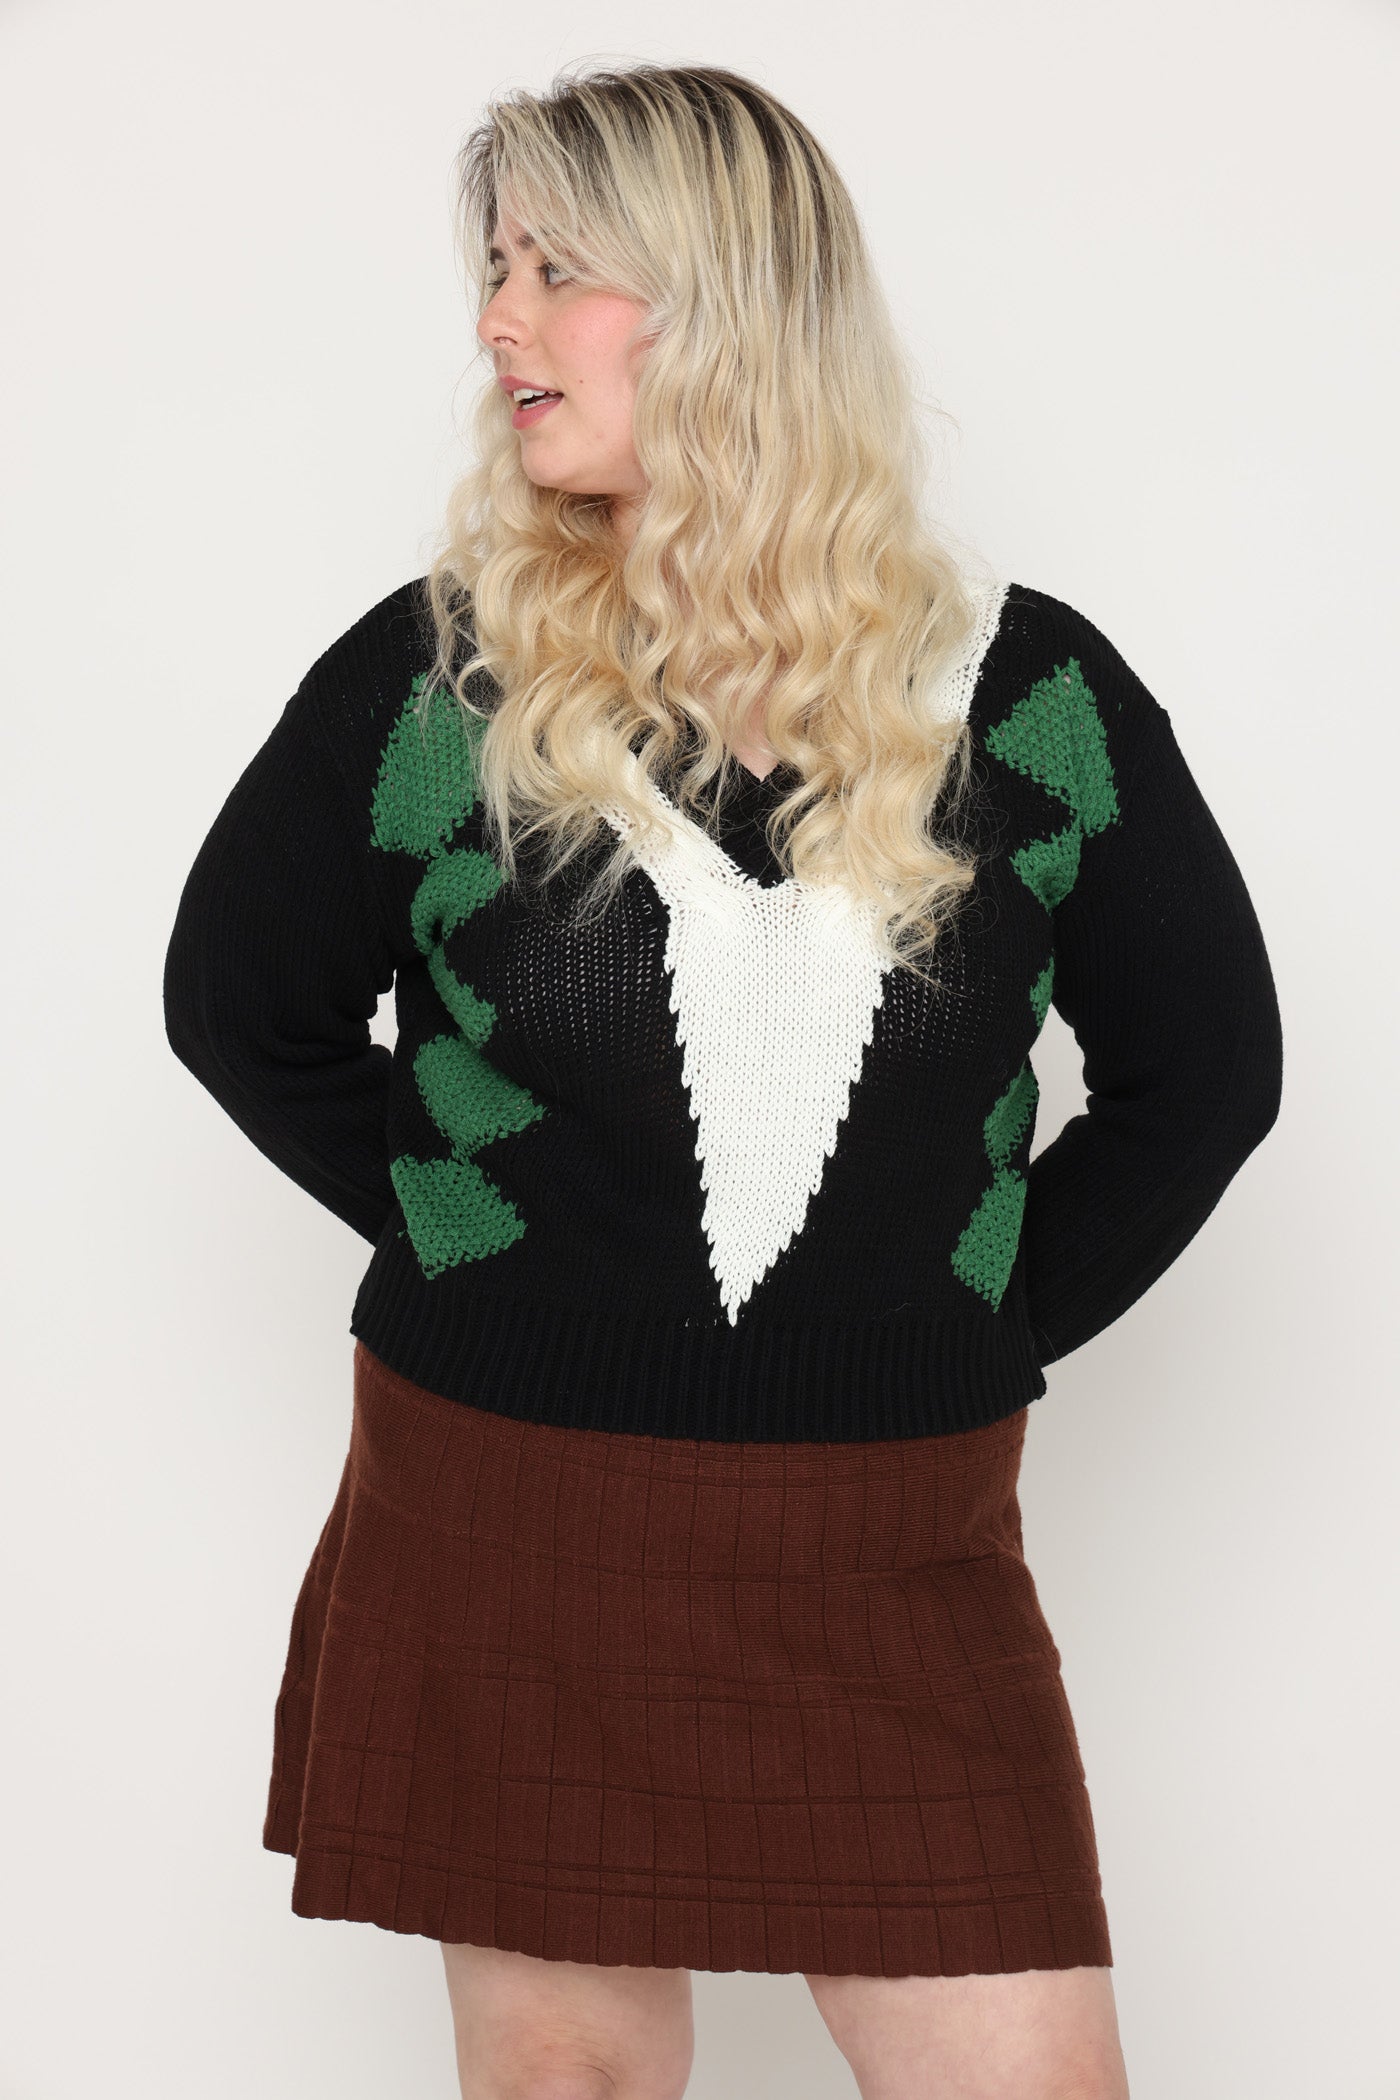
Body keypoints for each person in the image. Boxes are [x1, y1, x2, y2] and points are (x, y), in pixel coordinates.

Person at [162, 58, 1283, 2100]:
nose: (498, 321)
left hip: (895, 1541)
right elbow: (242, 1010)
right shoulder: (440, 684)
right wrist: (493, 1246)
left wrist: (966, 1323)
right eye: (496, 268)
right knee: (567, 2081)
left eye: (557, 271)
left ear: (730, 307)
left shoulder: (1029, 696)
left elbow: (1205, 1077)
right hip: (512, 1504)